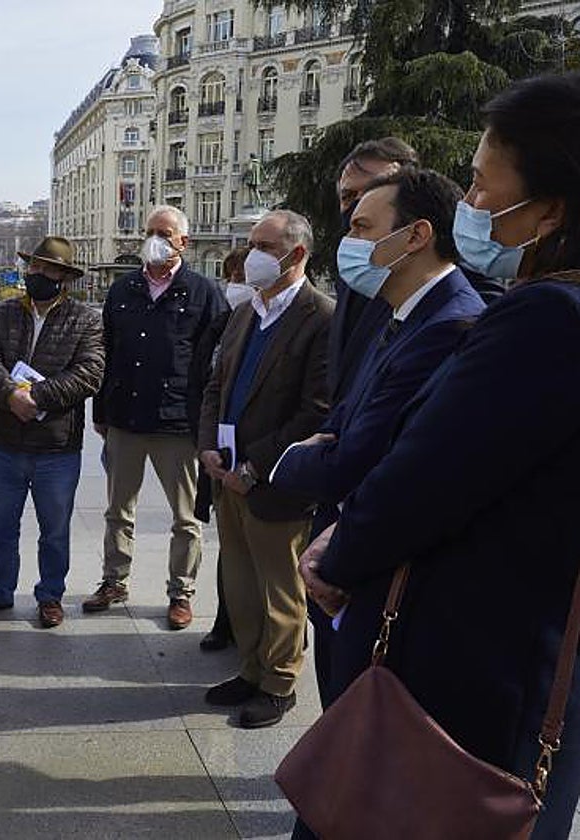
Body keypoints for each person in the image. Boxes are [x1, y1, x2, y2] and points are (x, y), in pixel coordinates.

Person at [300, 71, 580, 839]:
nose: (471, 204)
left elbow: (423, 480)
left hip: (466, 685)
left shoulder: (544, 321)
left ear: (552, 209)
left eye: (485, 185)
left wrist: (336, 555)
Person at [270, 168, 484, 711]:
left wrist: (288, 459)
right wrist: (330, 445)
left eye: (363, 228)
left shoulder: (449, 325)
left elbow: (353, 459)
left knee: (361, 726)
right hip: (342, 561)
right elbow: (346, 420)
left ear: (416, 235)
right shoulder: (399, 314)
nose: (350, 240)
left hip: (375, 571)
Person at [197, 209, 332, 729]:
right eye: (252, 243)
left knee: (280, 590)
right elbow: (216, 386)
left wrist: (254, 466)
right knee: (240, 584)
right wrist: (209, 446)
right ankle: (250, 669)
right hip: (227, 476)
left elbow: (315, 411)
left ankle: (279, 683)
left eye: (264, 246)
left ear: (296, 254)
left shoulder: (320, 317)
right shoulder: (245, 312)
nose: (251, 254)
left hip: (275, 483)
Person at [86, 206, 228, 631]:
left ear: (183, 241)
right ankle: (114, 581)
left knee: (186, 517)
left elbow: (219, 360)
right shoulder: (123, 289)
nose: (155, 240)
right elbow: (105, 352)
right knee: (118, 510)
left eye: (164, 233)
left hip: (178, 423)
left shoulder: (203, 292)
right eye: (150, 231)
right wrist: (101, 410)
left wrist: (208, 423)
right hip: (125, 418)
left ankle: (181, 592)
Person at [0, 236, 104, 628]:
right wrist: (10, 395)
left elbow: (89, 373)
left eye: (46, 268)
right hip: (4, 443)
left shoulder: (85, 319)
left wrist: (35, 397)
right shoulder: (3, 312)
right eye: (34, 266)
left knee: (54, 531)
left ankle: (50, 595)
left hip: (57, 447)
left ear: (64, 277)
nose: (36, 273)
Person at [328, 138, 420, 406]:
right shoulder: (351, 272)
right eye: (348, 197)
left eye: (373, 192)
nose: (358, 207)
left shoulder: (447, 282)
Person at [200, 245, 253, 653]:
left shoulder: (307, 318)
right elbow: (207, 383)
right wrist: (205, 443)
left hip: (264, 460)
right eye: (233, 276)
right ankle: (227, 621)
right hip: (222, 453)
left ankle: (270, 644)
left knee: (269, 559)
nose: (237, 284)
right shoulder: (224, 321)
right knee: (230, 549)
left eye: (243, 277)